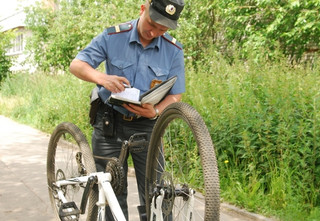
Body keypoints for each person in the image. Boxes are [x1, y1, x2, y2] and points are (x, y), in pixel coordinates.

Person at [69, 0, 185, 220]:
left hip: (148, 126)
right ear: (143, 9)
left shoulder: (173, 50)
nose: (155, 32)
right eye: (153, 24)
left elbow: (175, 94)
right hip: (109, 123)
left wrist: (157, 111)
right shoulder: (113, 37)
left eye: (163, 29)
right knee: (111, 191)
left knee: (156, 192)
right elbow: (77, 64)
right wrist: (102, 78)